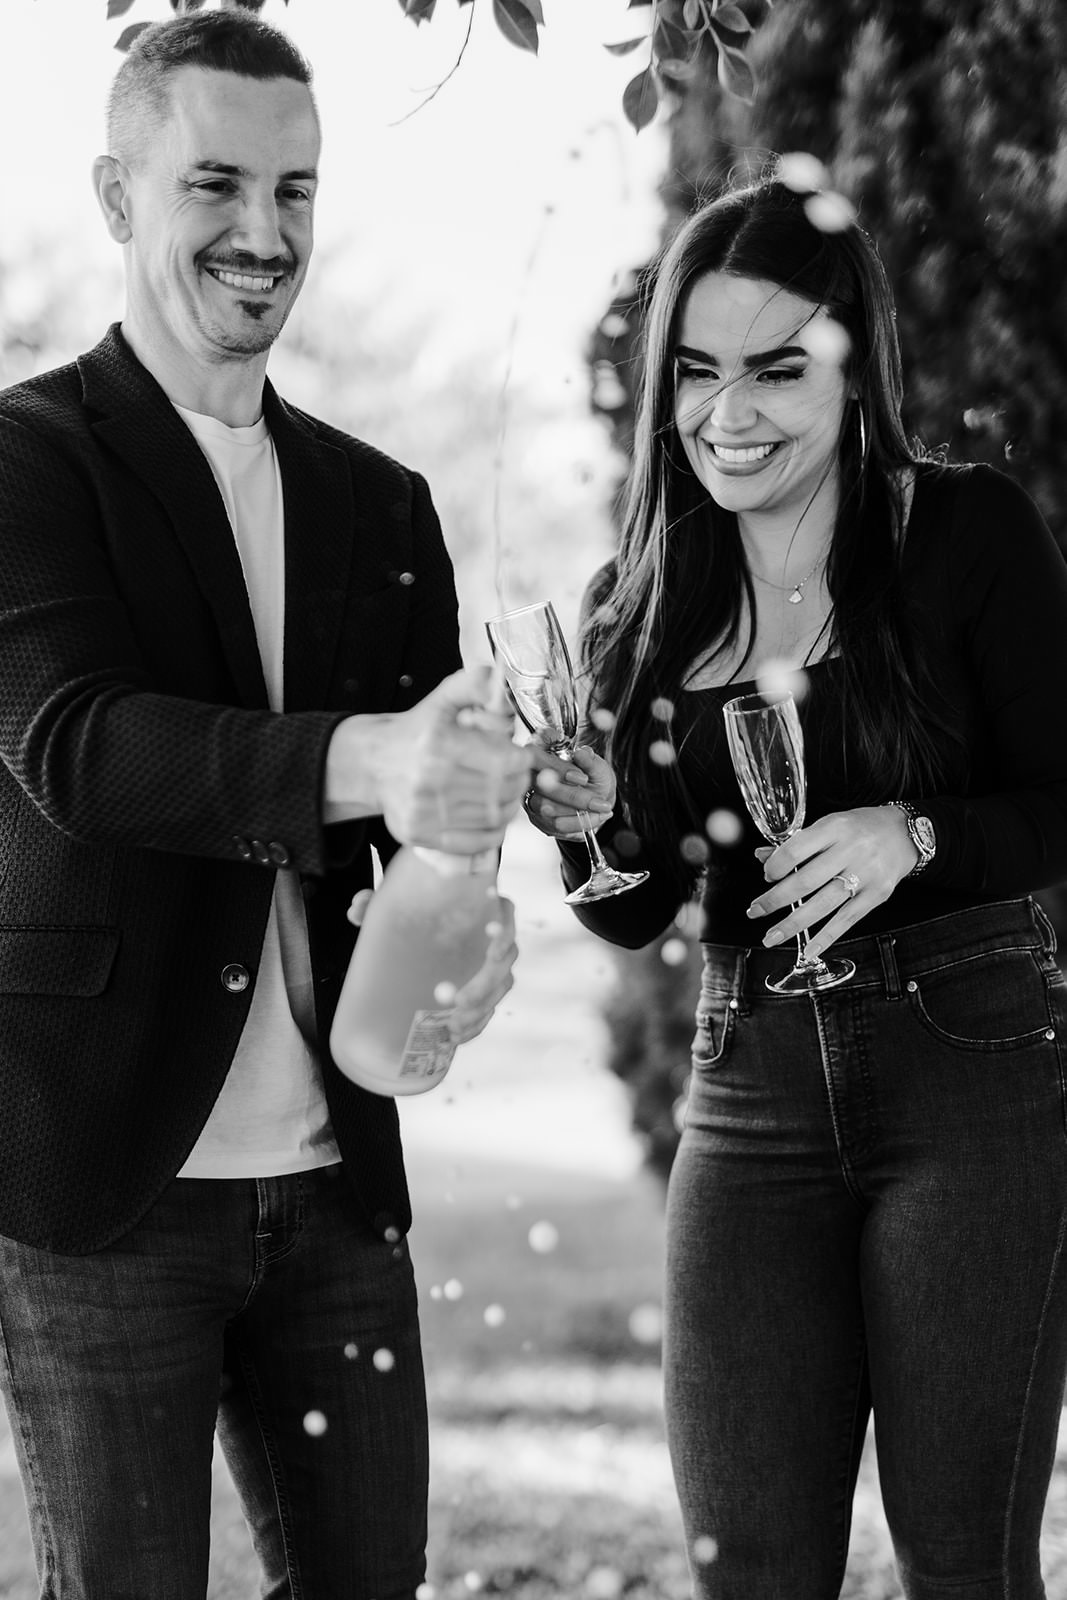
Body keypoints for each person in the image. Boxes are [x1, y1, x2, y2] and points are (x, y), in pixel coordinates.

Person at [0, 13, 531, 1598]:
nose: (264, 234)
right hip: (104, 1196)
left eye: (296, 192)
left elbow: (418, 839)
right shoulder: (24, 462)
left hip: (338, 1195)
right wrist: (370, 752)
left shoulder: (386, 503)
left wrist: (465, 951)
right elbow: (80, 746)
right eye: (217, 184)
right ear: (117, 194)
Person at [524, 170, 1067, 1598]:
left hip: (973, 1078)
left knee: (965, 1563)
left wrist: (920, 835)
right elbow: (637, 905)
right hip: (748, 1086)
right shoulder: (638, 601)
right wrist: (590, 830)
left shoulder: (964, 536)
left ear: (852, 362)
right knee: (749, 1564)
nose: (730, 414)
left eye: (776, 369)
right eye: (698, 373)